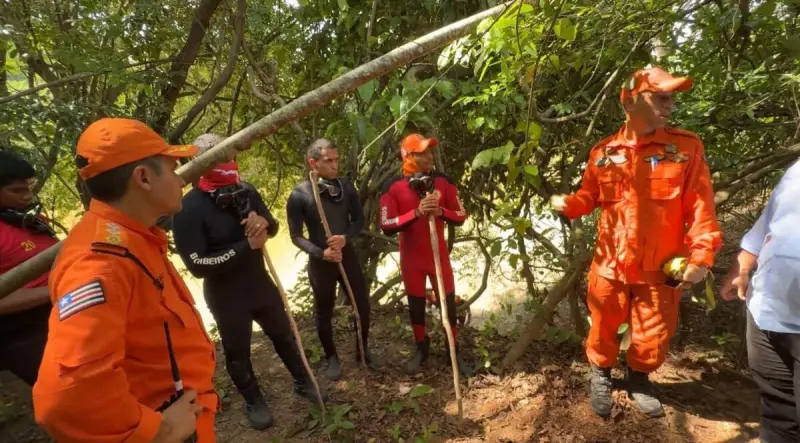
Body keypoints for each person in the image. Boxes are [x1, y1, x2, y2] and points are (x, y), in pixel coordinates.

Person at [550, 67, 722, 418]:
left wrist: (702, 255)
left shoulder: (685, 148)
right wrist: (570, 205)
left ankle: (640, 379)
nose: (671, 105)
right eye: (662, 97)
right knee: (603, 325)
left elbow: (701, 206)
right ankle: (600, 374)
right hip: (610, 264)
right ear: (631, 100)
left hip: (661, 266)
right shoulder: (604, 152)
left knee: (654, 332)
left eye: (672, 97)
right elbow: (589, 196)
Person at [32, 118, 217, 443]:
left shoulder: (134, 238)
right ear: (143, 178)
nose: (180, 180)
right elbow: (64, 398)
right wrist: (158, 431)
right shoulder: (100, 263)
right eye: (172, 169)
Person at [173, 133, 324, 431]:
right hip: (226, 295)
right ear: (200, 163)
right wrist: (246, 246)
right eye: (218, 158)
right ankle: (254, 400)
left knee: (283, 335)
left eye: (229, 156)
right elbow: (197, 264)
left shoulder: (245, 190)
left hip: (260, 284)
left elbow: (274, 225)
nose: (228, 163)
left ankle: (302, 381)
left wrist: (264, 224)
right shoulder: (188, 207)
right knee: (238, 351)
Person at [286, 138, 382, 380]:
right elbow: (296, 236)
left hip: (346, 256)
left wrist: (345, 238)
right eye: (328, 161)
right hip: (322, 262)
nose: (334, 165)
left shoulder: (346, 186)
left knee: (361, 304)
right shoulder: (299, 194)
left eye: (336, 160)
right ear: (313, 162)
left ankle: (363, 351)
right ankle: (331, 357)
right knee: (324, 311)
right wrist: (322, 253)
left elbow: (358, 221)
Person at [378, 133, 472, 376]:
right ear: (408, 156)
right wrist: (416, 214)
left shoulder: (443, 181)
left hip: (438, 257)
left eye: (430, 151)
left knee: (448, 306)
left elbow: (461, 215)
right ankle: (421, 348)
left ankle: (454, 350)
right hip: (412, 260)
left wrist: (440, 211)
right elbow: (386, 223)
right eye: (423, 152)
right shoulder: (393, 187)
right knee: (416, 306)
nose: (430, 156)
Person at [721, 160, 800, 441]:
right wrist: (741, 267)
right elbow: (769, 222)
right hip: (766, 312)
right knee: (778, 413)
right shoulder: (796, 170)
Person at [0, 151, 58, 387]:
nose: (27, 196)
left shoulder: (30, 221)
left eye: (29, 188)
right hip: (25, 334)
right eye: (16, 191)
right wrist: (54, 290)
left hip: (66, 312)